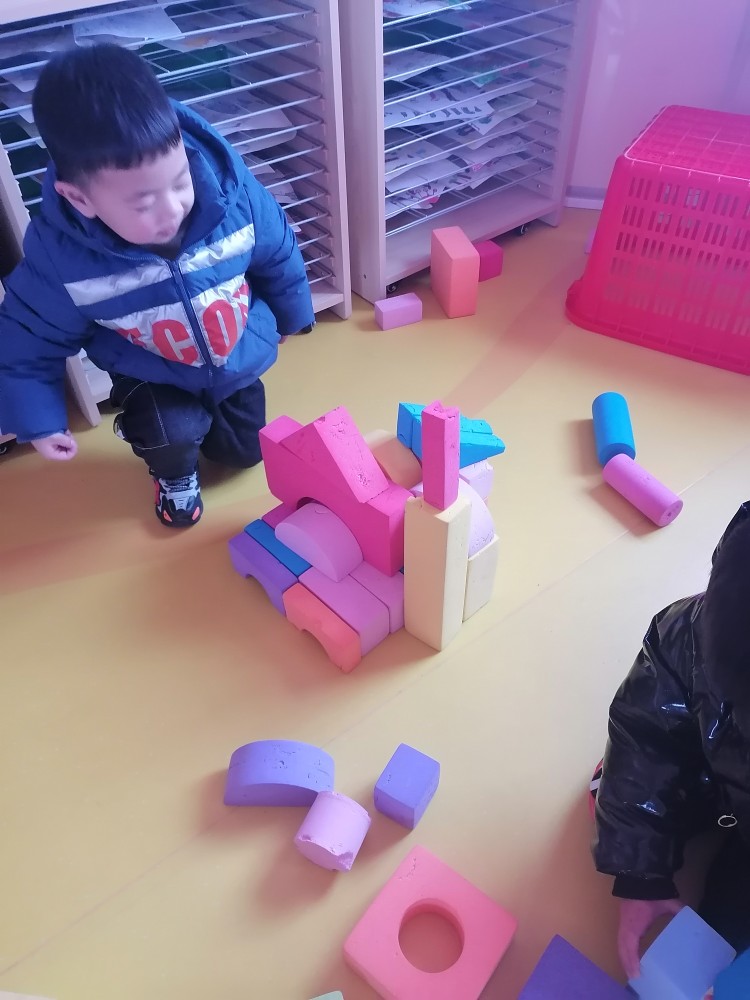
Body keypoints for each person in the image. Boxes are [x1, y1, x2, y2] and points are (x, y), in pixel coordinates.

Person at [0, 43, 314, 527]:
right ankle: (172, 473)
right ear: (80, 199)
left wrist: (294, 315)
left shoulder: (233, 195)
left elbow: (278, 253)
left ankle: (215, 432)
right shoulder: (61, 259)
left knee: (245, 453)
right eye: (143, 203)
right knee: (172, 434)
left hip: (234, 357)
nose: (172, 210)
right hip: (152, 375)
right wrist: (39, 422)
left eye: (180, 181)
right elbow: (27, 338)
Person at [593, 502, 750, 979]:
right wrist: (641, 873)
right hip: (720, 780)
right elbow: (645, 732)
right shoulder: (698, 634)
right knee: (634, 791)